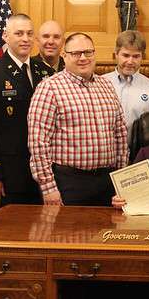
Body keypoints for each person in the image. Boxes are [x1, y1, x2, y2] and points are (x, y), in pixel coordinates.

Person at [28, 31, 128, 206]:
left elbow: (120, 133)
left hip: (107, 182)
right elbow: (38, 143)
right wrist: (48, 188)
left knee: (106, 232)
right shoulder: (49, 88)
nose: (83, 58)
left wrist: (121, 180)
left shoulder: (106, 85)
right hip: (68, 182)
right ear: (64, 56)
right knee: (69, 233)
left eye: (88, 52)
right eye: (76, 53)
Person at [0, 13, 47, 207]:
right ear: (5, 36)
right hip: (9, 176)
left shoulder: (45, 71)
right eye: (19, 33)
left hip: (45, 177)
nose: (25, 39)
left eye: (30, 33)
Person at [102, 30, 149, 140]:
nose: (130, 61)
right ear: (116, 54)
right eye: (125, 55)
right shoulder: (100, 84)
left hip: (139, 152)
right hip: (105, 150)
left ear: (142, 57)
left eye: (136, 56)